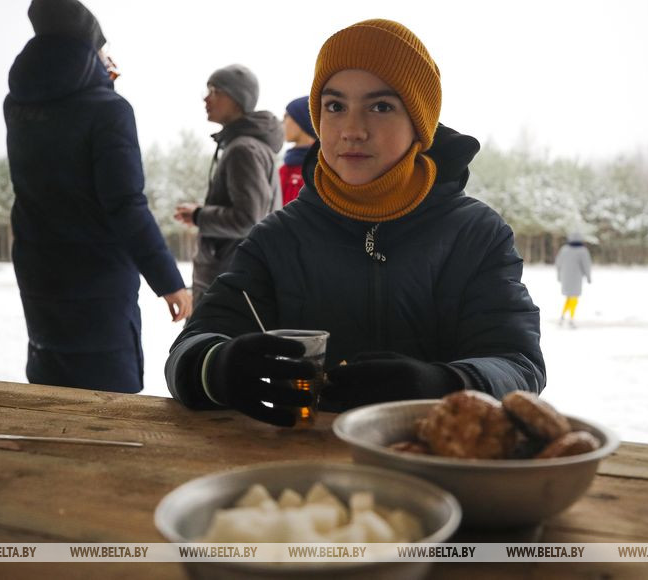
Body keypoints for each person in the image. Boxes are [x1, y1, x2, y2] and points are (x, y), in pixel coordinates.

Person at [165, 19, 545, 426]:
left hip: (438, 457)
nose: (352, 130)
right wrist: (217, 366)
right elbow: (190, 348)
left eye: (381, 107)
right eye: (335, 106)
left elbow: (517, 364)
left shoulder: (477, 235)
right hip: (304, 461)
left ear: (419, 123)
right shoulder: (278, 238)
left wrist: (444, 385)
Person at [4, 0, 191, 393]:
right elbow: (125, 205)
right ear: (90, 52)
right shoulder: (109, 111)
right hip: (97, 281)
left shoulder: (18, 106)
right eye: (105, 50)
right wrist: (169, 281)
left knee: (50, 387)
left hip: (38, 271)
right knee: (107, 396)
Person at [174, 65, 284, 307]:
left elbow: (248, 219)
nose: (206, 98)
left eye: (214, 91)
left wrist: (199, 215)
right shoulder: (248, 146)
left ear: (237, 98)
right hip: (237, 279)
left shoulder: (243, 149)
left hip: (230, 285)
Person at [280, 96, 318, 205]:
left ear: (303, 119)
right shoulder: (284, 168)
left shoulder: (320, 170)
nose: (283, 122)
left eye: (286, 116)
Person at [554, 231, 592, 327]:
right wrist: (588, 277)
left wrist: (559, 275)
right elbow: (586, 265)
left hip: (565, 277)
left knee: (568, 297)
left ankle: (562, 317)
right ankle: (571, 318)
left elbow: (558, 263)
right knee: (574, 297)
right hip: (576, 278)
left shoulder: (564, 249)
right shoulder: (583, 251)